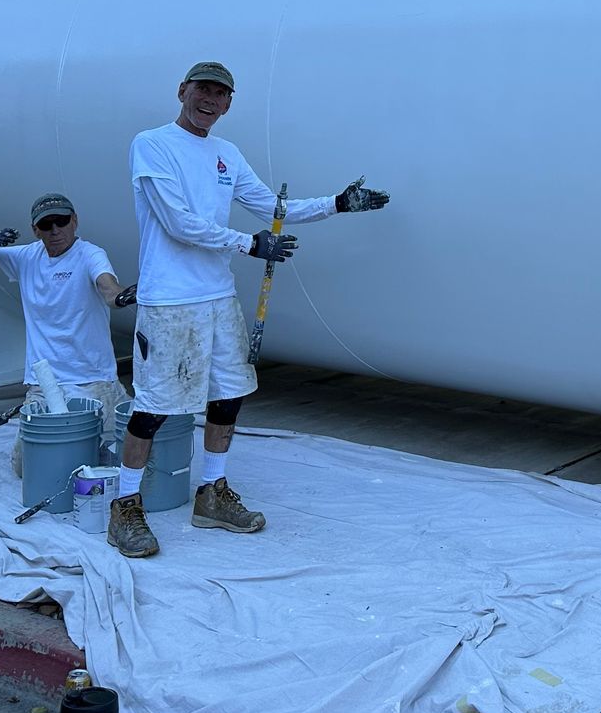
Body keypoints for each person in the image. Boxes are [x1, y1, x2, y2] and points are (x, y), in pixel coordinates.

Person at [108, 59, 390, 558]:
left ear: (229, 103)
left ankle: (211, 494)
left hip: (218, 298)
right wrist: (248, 244)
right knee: (154, 405)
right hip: (171, 301)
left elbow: (273, 210)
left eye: (221, 94)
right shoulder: (152, 144)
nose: (210, 100)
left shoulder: (226, 153)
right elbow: (178, 222)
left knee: (227, 396)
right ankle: (125, 505)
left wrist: (339, 203)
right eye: (202, 90)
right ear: (182, 91)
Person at [0, 193, 132, 475]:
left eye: (62, 221)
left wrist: (119, 298)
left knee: (114, 461)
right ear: (36, 230)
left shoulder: (91, 254)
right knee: (26, 469)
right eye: (47, 224)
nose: (55, 230)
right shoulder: (25, 257)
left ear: (75, 221)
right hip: (44, 385)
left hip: (94, 379)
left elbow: (107, 286)